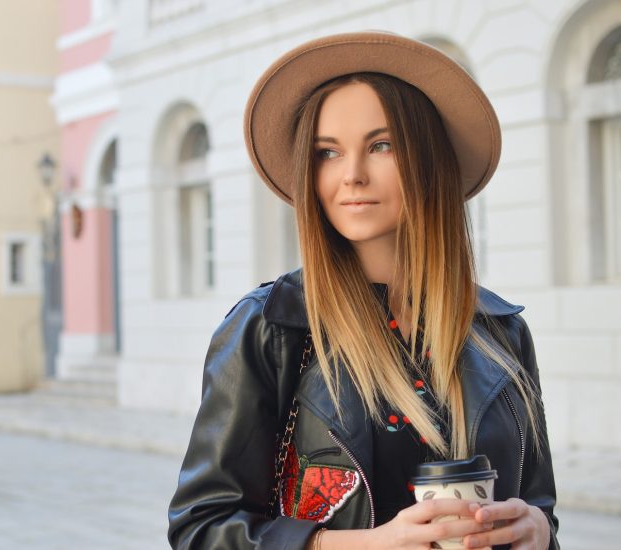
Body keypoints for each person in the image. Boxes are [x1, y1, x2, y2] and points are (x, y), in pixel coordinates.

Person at [168, 32, 559, 550]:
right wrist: (363, 545)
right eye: (327, 153)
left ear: (427, 159)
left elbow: (541, 509)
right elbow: (201, 529)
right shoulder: (271, 328)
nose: (351, 175)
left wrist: (536, 530)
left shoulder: (501, 332)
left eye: (381, 145)